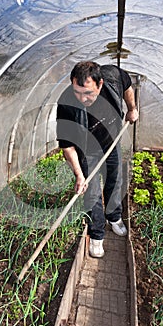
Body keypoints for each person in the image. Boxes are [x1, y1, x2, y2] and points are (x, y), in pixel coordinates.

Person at [56, 61, 139, 258]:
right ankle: (96, 234)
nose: (82, 98)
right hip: (87, 150)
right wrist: (78, 175)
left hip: (111, 143)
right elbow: (67, 146)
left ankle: (114, 217)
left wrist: (132, 108)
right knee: (91, 192)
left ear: (100, 84)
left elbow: (127, 86)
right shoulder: (66, 104)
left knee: (114, 181)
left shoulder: (113, 77)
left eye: (88, 93)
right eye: (77, 92)